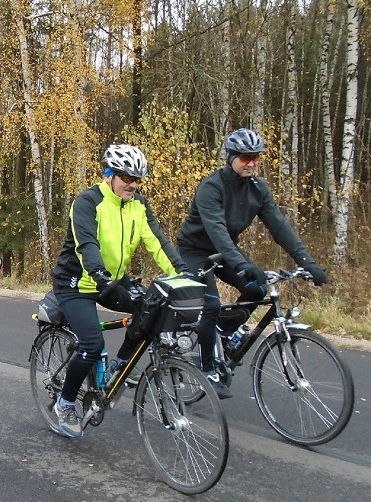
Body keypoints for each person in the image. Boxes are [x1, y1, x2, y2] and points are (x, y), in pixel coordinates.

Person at [177, 128, 327, 399]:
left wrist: (308, 262)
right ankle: (208, 369)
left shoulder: (258, 189)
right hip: (195, 252)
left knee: (256, 289)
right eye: (245, 158)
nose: (251, 163)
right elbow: (217, 231)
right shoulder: (212, 187)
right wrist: (242, 263)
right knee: (211, 304)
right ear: (231, 157)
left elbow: (280, 228)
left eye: (256, 157)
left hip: (225, 252)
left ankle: (224, 330)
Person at [51, 144, 188, 438]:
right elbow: (87, 244)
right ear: (110, 174)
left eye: (138, 179)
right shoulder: (88, 202)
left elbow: (157, 242)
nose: (133, 185)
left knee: (152, 306)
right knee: (90, 344)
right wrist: (101, 277)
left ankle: (121, 363)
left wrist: (182, 273)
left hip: (111, 278)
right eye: (127, 177)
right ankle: (65, 403)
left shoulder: (138, 205)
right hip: (77, 283)